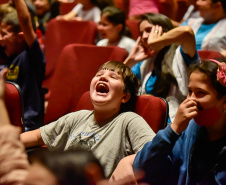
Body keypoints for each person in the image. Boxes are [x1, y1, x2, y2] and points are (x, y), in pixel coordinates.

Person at [20, 60, 156, 178]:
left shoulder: (128, 120)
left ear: (125, 97)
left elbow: (155, 151)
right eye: (99, 75)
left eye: (113, 77)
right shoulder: (77, 117)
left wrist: (128, 161)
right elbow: (37, 136)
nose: (103, 78)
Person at [110, 59, 226, 185]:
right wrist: (174, 129)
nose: (190, 101)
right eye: (190, 92)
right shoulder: (189, 129)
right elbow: (143, 169)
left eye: (200, 93)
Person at [124, 13, 199, 122]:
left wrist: (160, 41)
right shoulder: (145, 63)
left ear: (164, 30)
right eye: (141, 33)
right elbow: (115, 83)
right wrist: (131, 61)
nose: (144, 36)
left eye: (149, 30)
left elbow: (187, 32)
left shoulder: (181, 55)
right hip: (147, 119)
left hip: (177, 122)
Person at [0, 0, 46, 131]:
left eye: (4, 34)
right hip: (7, 123)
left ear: (20, 37)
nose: (0, 38)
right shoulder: (8, 56)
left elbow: (25, 21)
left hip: (27, 125)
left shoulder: (31, 57)